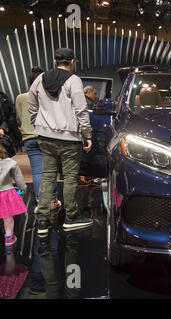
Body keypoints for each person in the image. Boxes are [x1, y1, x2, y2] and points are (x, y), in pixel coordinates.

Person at [28, 48, 93, 237]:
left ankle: (42, 222)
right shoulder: (74, 80)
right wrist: (87, 134)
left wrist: (38, 123)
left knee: (48, 176)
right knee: (70, 177)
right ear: (72, 61)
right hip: (70, 138)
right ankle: (71, 218)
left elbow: (32, 105)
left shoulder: (40, 79)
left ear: (55, 61)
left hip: (45, 137)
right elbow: (82, 110)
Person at [15, 67, 60, 212]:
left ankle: (41, 203)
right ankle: (52, 201)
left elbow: (20, 119)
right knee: (50, 170)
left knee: (37, 171)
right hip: (47, 137)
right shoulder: (50, 97)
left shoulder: (20, 98)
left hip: (29, 139)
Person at [0, 144, 27, 247]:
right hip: (6, 193)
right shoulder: (11, 163)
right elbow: (18, 178)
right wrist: (23, 188)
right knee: (8, 218)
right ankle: (8, 237)